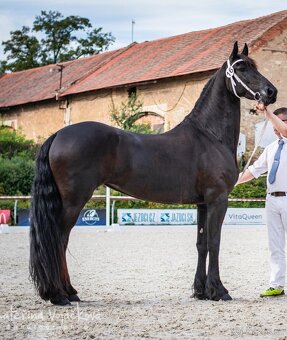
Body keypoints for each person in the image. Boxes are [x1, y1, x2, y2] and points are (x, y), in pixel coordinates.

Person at [237, 106, 287, 297]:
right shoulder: (271, 148)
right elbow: (254, 170)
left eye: (281, 121)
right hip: (272, 199)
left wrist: (267, 112)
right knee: (275, 244)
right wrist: (232, 182)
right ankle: (276, 284)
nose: (276, 127)